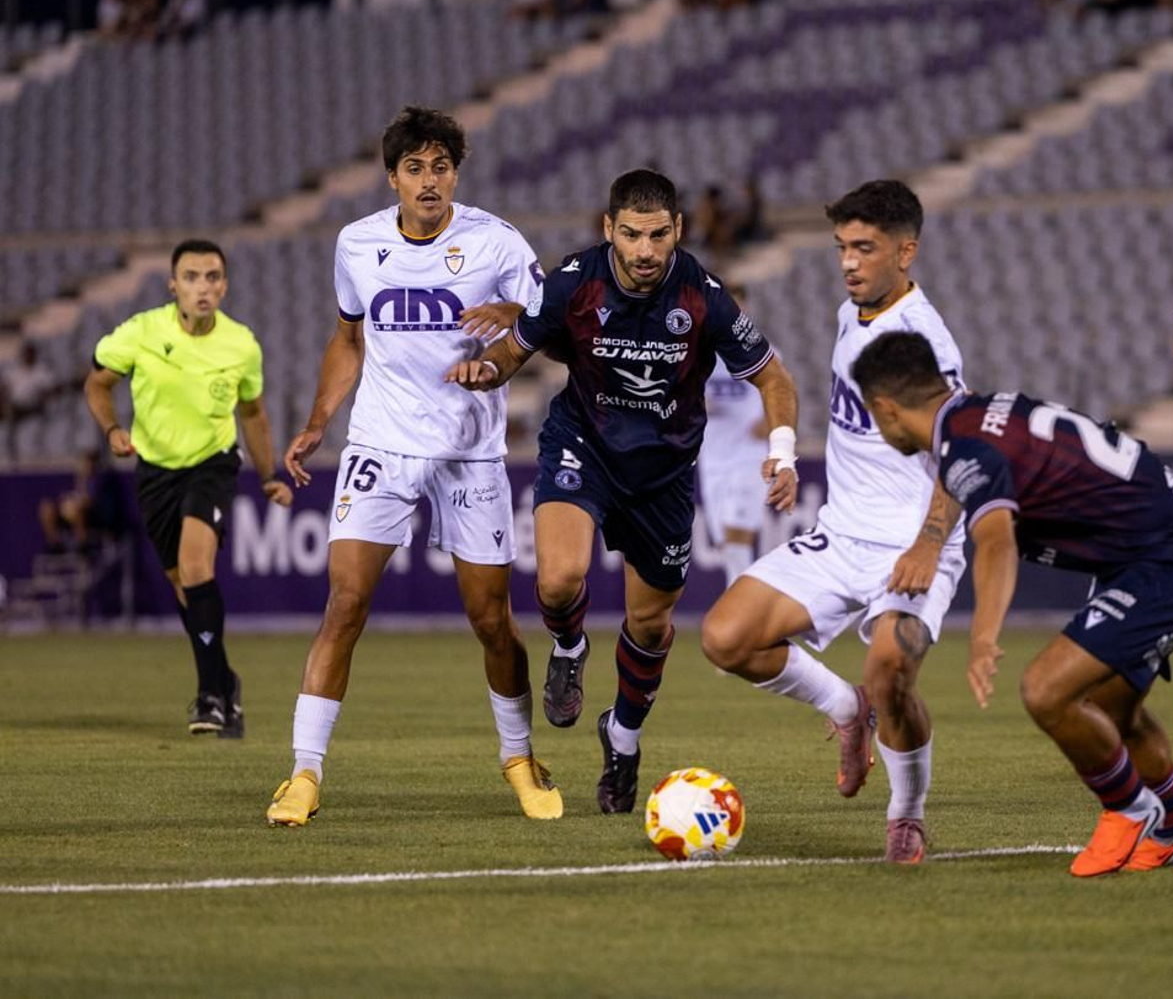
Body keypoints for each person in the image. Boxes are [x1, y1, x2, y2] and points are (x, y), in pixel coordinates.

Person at [448, 168, 798, 815]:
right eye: (631, 234)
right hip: (583, 443)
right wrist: (484, 367)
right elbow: (515, 350)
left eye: (658, 235)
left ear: (678, 232)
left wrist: (781, 452)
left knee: (649, 622)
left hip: (663, 474)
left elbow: (774, 379)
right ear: (609, 229)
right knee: (558, 580)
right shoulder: (575, 281)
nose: (644, 250)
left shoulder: (704, 296)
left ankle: (624, 737)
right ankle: (570, 646)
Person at [266, 105, 558, 827]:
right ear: (393, 177)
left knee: (491, 618)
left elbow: (547, 320)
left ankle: (519, 759)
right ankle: (304, 772)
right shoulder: (358, 244)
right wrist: (315, 422)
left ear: (456, 172)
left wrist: (505, 347)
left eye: (442, 166)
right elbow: (347, 338)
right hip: (381, 444)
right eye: (416, 168)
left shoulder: (495, 242)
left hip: (469, 451)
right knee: (344, 602)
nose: (431, 182)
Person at [851, 331, 1173, 877]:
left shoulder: (964, 446)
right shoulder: (977, 413)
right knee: (1110, 708)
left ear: (885, 408)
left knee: (1046, 689)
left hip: (1165, 561)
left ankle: (1129, 808)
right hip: (1164, 549)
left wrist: (982, 640)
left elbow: (998, 540)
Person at [700, 181, 966, 864]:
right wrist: (785, 456)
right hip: (843, 529)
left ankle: (906, 815)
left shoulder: (923, 341)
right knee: (727, 637)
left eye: (865, 248)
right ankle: (848, 709)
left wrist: (929, 546)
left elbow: (966, 452)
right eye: (843, 247)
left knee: (891, 672)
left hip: (912, 539)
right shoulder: (855, 312)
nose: (849, 262)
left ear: (906, 251)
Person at [84, 239, 293, 737]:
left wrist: (267, 476)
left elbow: (253, 413)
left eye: (213, 277)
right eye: (193, 277)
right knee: (182, 585)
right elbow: (96, 383)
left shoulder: (241, 344)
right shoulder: (141, 332)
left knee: (197, 568)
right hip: (156, 471)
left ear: (225, 285)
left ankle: (208, 698)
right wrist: (113, 430)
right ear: (173, 285)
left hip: (212, 466)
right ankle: (226, 684)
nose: (204, 287)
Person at [697, 284, 769, 593]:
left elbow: (783, 394)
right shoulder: (699, 358)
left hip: (748, 458)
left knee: (737, 534)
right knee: (726, 543)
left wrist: (772, 423)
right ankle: (743, 605)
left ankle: (739, 609)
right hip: (712, 458)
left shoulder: (763, 352)